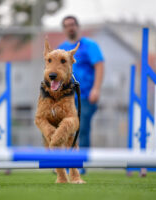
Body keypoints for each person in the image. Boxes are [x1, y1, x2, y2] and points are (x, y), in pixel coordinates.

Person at [57, 16, 105, 173]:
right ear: (64, 29)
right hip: (66, 98)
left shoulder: (89, 45)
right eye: (67, 25)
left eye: (72, 24)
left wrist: (96, 89)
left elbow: (99, 65)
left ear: (78, 26)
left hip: (85, 96)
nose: (70, 27)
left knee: (81, 129)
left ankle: (80, 165)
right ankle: (63, 164)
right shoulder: (61, 49)